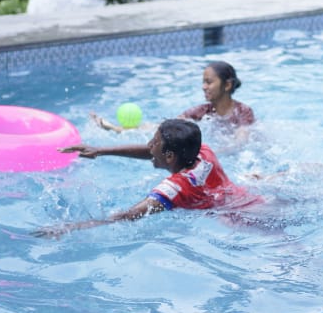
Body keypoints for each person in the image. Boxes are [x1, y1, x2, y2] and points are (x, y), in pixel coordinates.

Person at [31, 119, 257, 239]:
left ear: (170, 156)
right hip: (250, 200)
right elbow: (151, 152)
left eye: (154, 142)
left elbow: (126, 216)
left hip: (239, 219)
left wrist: (70, 227)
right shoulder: (202, 152)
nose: (149, 145)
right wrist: (100, 150)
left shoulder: (174, 189)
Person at [92, 61, 256, 133]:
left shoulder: (243, 112)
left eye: (209, 82)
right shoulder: (201, 112)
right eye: (203, 82)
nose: (203, 87)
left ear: (227, 85)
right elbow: (165, 126)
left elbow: (240, 142)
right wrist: (116, 129)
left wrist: (214, 153)